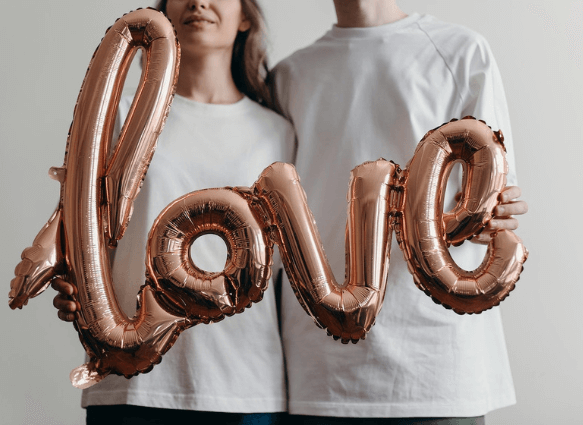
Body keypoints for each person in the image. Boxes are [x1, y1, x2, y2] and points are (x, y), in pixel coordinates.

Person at [270, 1, 528, 424]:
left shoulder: (461, 51)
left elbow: (494, 197)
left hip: (437, 366)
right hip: (321, 372)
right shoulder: (290, 76)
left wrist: (495, 215)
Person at [52, 0, 294, 424]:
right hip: (131, 384)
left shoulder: (279, 133)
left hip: (244, 387)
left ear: (246, 19)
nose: (198, 1)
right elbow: (83, 233)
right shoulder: (121, 115)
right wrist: (74, 284)